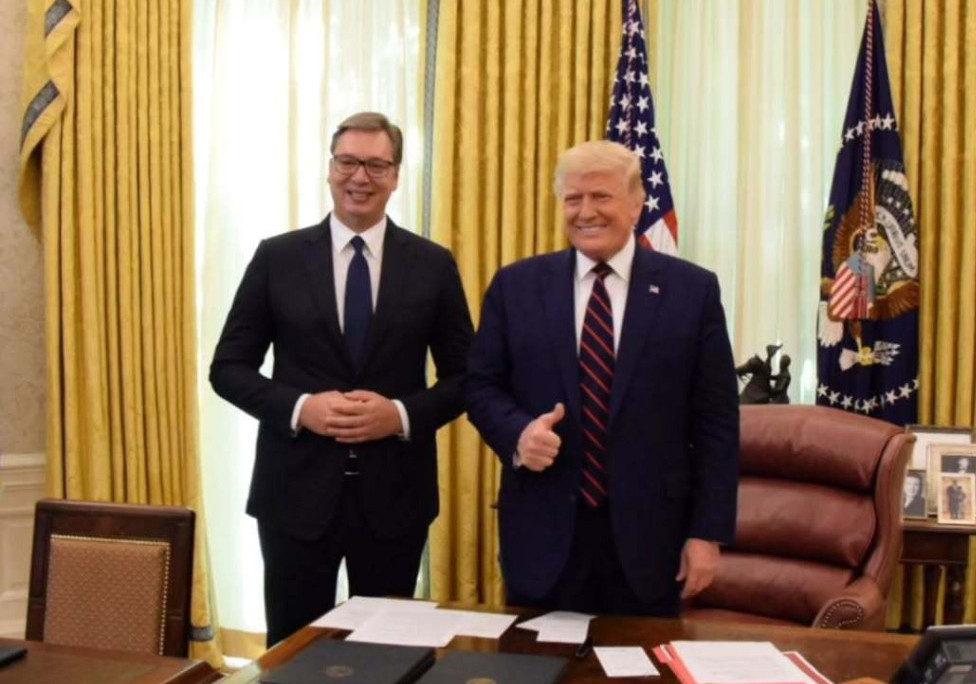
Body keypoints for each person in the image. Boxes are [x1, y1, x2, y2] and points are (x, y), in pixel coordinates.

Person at [210, 112, 474, 646]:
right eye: (348, 162)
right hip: (293, 495)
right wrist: (300, 407)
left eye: (376, 165)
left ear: (395, 176)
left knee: (385, 655)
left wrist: (399, 415)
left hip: (395, 497)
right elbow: (228, 368)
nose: (360, 177)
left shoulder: (432, 264)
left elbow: (468, 377)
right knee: (291, 655)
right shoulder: (277, 257)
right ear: (330, 169)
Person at [465, 140, 739, 616]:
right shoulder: (516, 286)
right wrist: (519, 434)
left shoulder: (692, 291)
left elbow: (717, 421)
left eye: (601, 196)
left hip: (652, 542)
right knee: (534, 662)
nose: (586, 212)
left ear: (636, 204)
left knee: (639, 665)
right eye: (573, 199)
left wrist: (707, 533)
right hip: (542, 536)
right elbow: (479, 385)